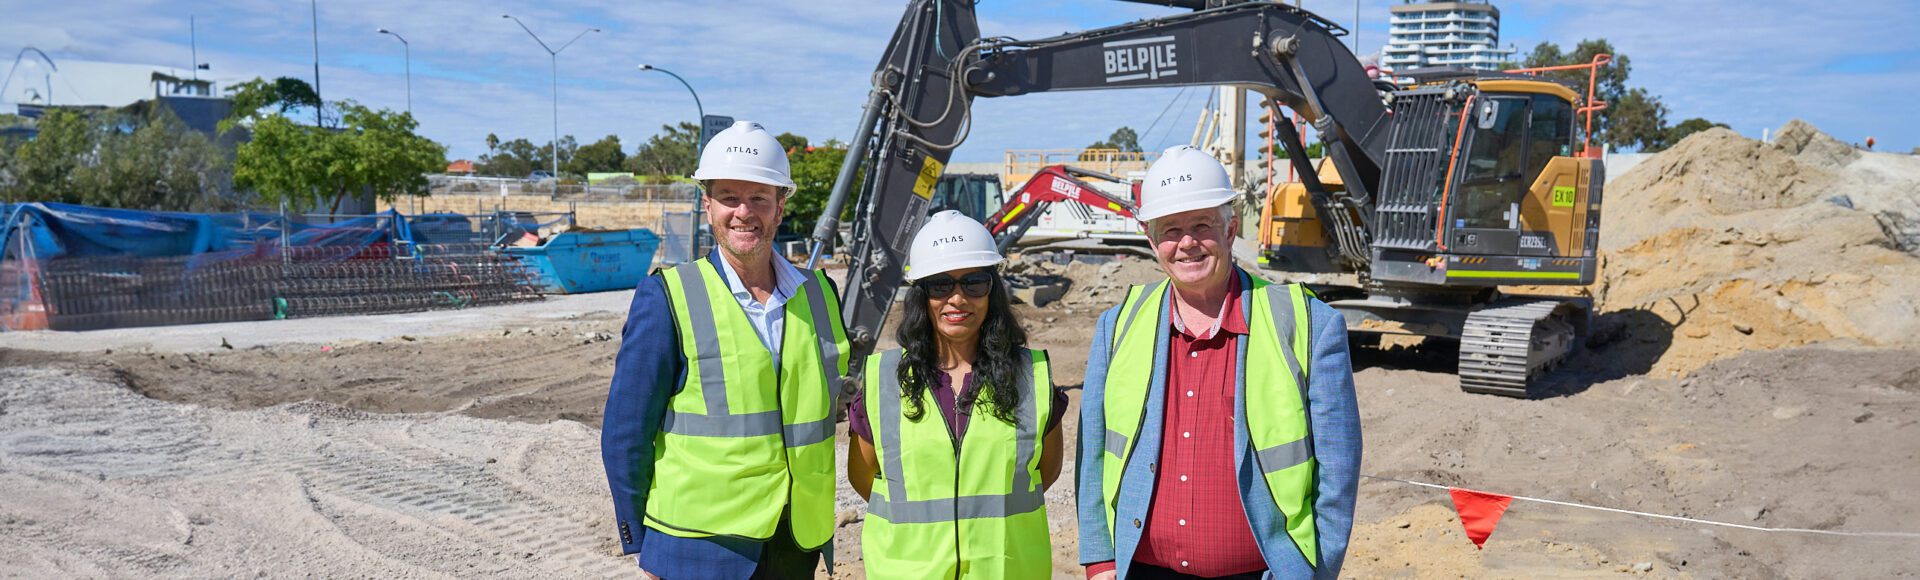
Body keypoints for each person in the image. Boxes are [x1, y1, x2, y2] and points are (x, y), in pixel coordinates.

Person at [1077, 146, 1362, 579]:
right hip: (1140, 570)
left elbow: (1338, 468)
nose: (1187, 242)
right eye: (1170, 229)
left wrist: (1316, 572)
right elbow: (1093, 453)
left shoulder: (1308, 325)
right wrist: (1099, 561)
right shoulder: (1117, 326)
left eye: (1202, 225)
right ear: (1152, 242)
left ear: (1230, 230)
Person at [601, 121, 849, 579]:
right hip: (698, 547)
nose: (744, 212)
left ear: (780, 206)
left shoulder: (819, 294)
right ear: (708, 204)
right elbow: (625, 432)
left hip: (795, 540)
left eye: (759, 198)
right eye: (730, 197)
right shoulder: (669, 297)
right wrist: (646, 546)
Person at [848, 210, 1068, 578]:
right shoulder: (884, 380)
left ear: (991, 291)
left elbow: (1045, 473)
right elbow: (863, 479)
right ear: (921, 295)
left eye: (974, 283)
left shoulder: (1031, 378)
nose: (957, 298)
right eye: (940, 285)